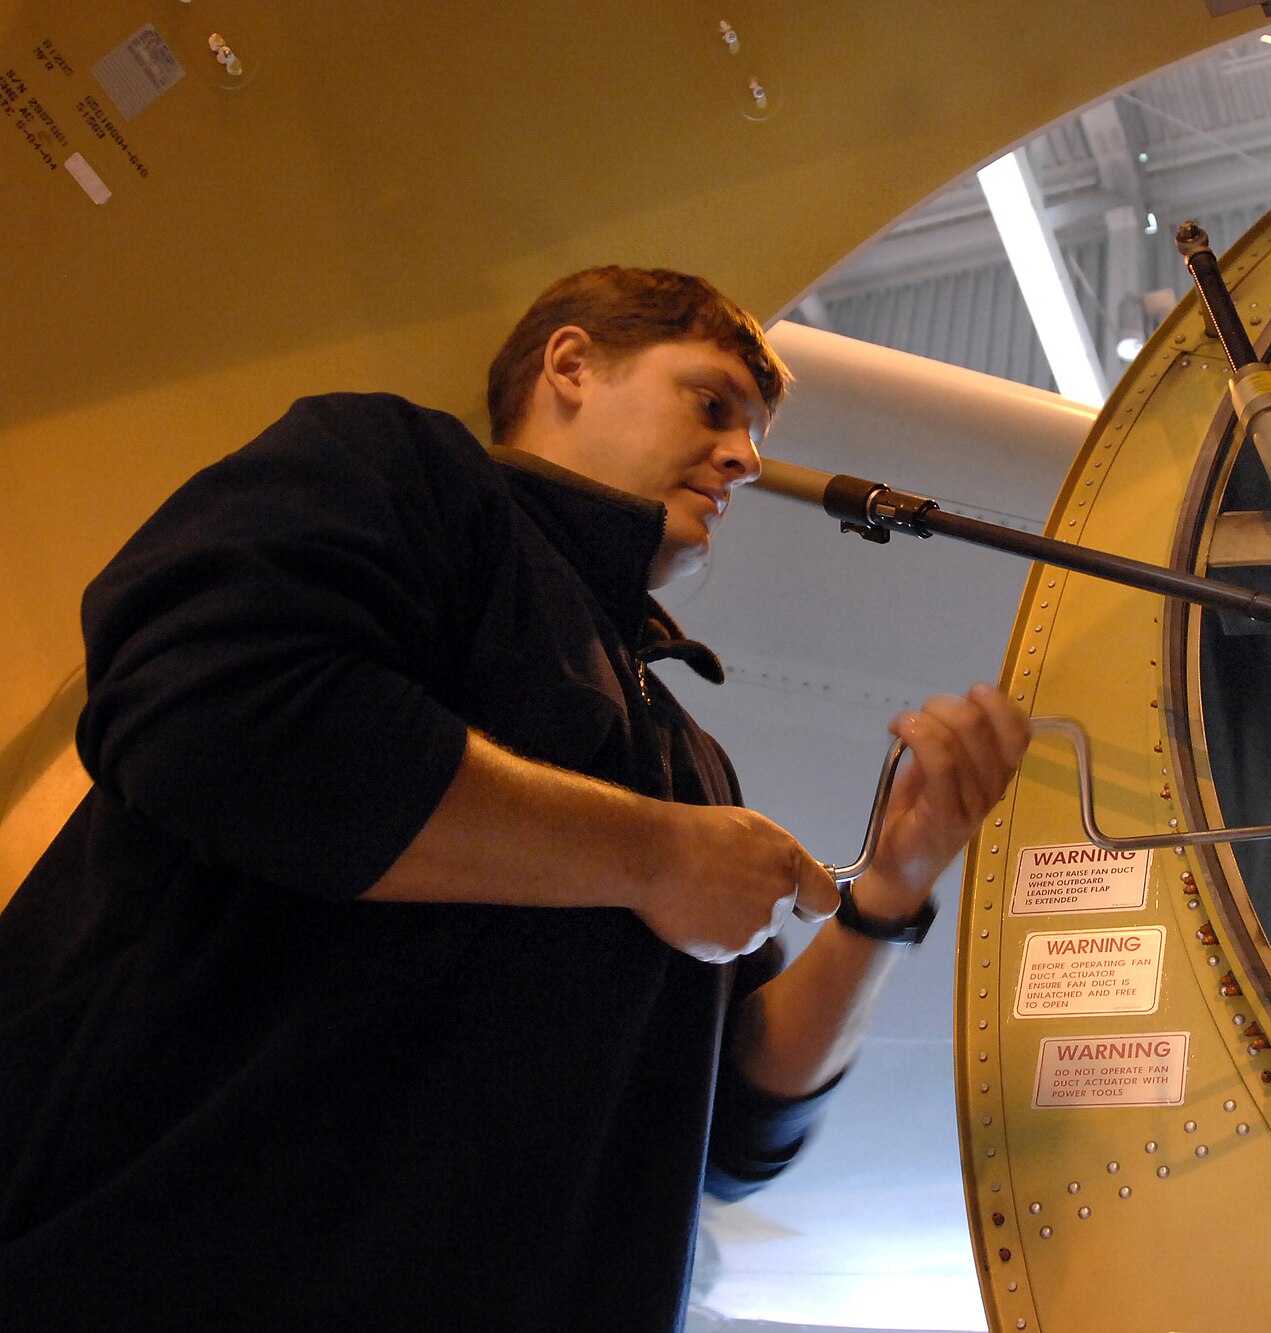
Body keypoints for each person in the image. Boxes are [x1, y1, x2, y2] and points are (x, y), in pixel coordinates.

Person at [0, 266, 1030, 1331]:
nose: (745, 456)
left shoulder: (687, 763)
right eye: (712, 402)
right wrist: (654, 858)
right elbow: (215, 713)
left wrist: (895, 888)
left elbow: (729, 1128)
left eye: (755, 430)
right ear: (571, 365)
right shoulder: (398, 473)